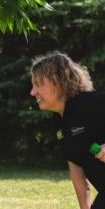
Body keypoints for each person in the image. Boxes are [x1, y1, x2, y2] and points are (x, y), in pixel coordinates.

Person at [30, 51, 105, 209]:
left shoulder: (94, 103)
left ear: (58, 82)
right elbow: (76, 168)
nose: (33, 92)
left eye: (38, 84)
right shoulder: (59, 121)